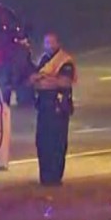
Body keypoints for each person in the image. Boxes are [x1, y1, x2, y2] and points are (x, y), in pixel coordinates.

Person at [28, 33, 75, 186]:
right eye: (46, 43)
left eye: (51, 42)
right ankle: (45, 177)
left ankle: (55, 178)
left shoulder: (65, 61)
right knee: (42, 142)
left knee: (57, 143)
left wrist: (44, 80)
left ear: (58, 43)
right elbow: (33, 80)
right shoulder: (44, 59)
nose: (48, 45)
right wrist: (43, 80)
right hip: (44, 108)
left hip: (58, 109)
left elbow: (65, 82)